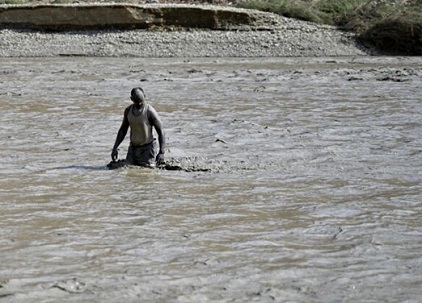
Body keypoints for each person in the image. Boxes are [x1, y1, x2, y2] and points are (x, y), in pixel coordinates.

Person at [111, 87, 165, 167]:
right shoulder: (128, 111)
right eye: (137, 102)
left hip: (148, 149)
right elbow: (123, 130)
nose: (140, 104)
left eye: (141, 101)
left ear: (144, 96)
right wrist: (115, 148)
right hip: (133, 149)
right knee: (128, 171)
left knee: (147, 172)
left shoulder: (150, 112)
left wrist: (161, 152)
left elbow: (161, 131)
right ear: (131, 99)